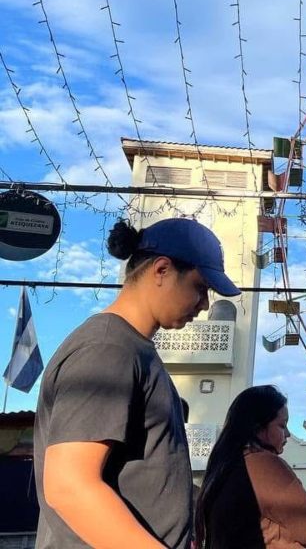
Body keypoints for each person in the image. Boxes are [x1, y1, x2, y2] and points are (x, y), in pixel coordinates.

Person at [34, 218, 240, 548]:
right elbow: (69, 486)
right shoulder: (108, 349)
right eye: (200, 288)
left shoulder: (134, 351)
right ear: (162, 270)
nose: (204, 305)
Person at [196, 385, 306, 549]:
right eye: (282, 425)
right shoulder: (263, 464)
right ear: (258, 426)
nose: (287, 434)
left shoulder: (225, 467)